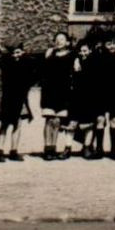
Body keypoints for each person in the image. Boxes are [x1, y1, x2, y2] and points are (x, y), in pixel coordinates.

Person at [39, 32, 76, 160]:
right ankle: (48, 148)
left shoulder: (73, 56)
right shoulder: (49, 55)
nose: (59, 41)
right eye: (57, 39)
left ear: (67, 42)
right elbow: (40, 71)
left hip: (64, 92)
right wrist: (46, 57)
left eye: (62, 39)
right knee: (49, 120)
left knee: (57, 121)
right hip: (50, 92)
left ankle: (54, 148)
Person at [0, 43, 36, 161]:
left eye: (18, 52)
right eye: (13, 53)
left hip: (21, 99)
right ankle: (0, 151)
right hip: (7, 98)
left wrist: (25, 56)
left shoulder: (26, 63)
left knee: (17, 124)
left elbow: (34, 70)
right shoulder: (5, 63)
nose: (15, 55)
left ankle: (14, 150)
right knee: (4, 125)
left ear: (22, 52)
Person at [70, 41, 103, 158]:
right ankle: (69, 147)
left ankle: (87, 146)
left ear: (90, 51)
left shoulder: (95, 61)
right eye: (81, 51)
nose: (83, 53)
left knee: (89, 122)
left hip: (91, 96)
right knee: (74, 122)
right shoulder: (75, 62)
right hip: (77, 95)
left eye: (85, 51)